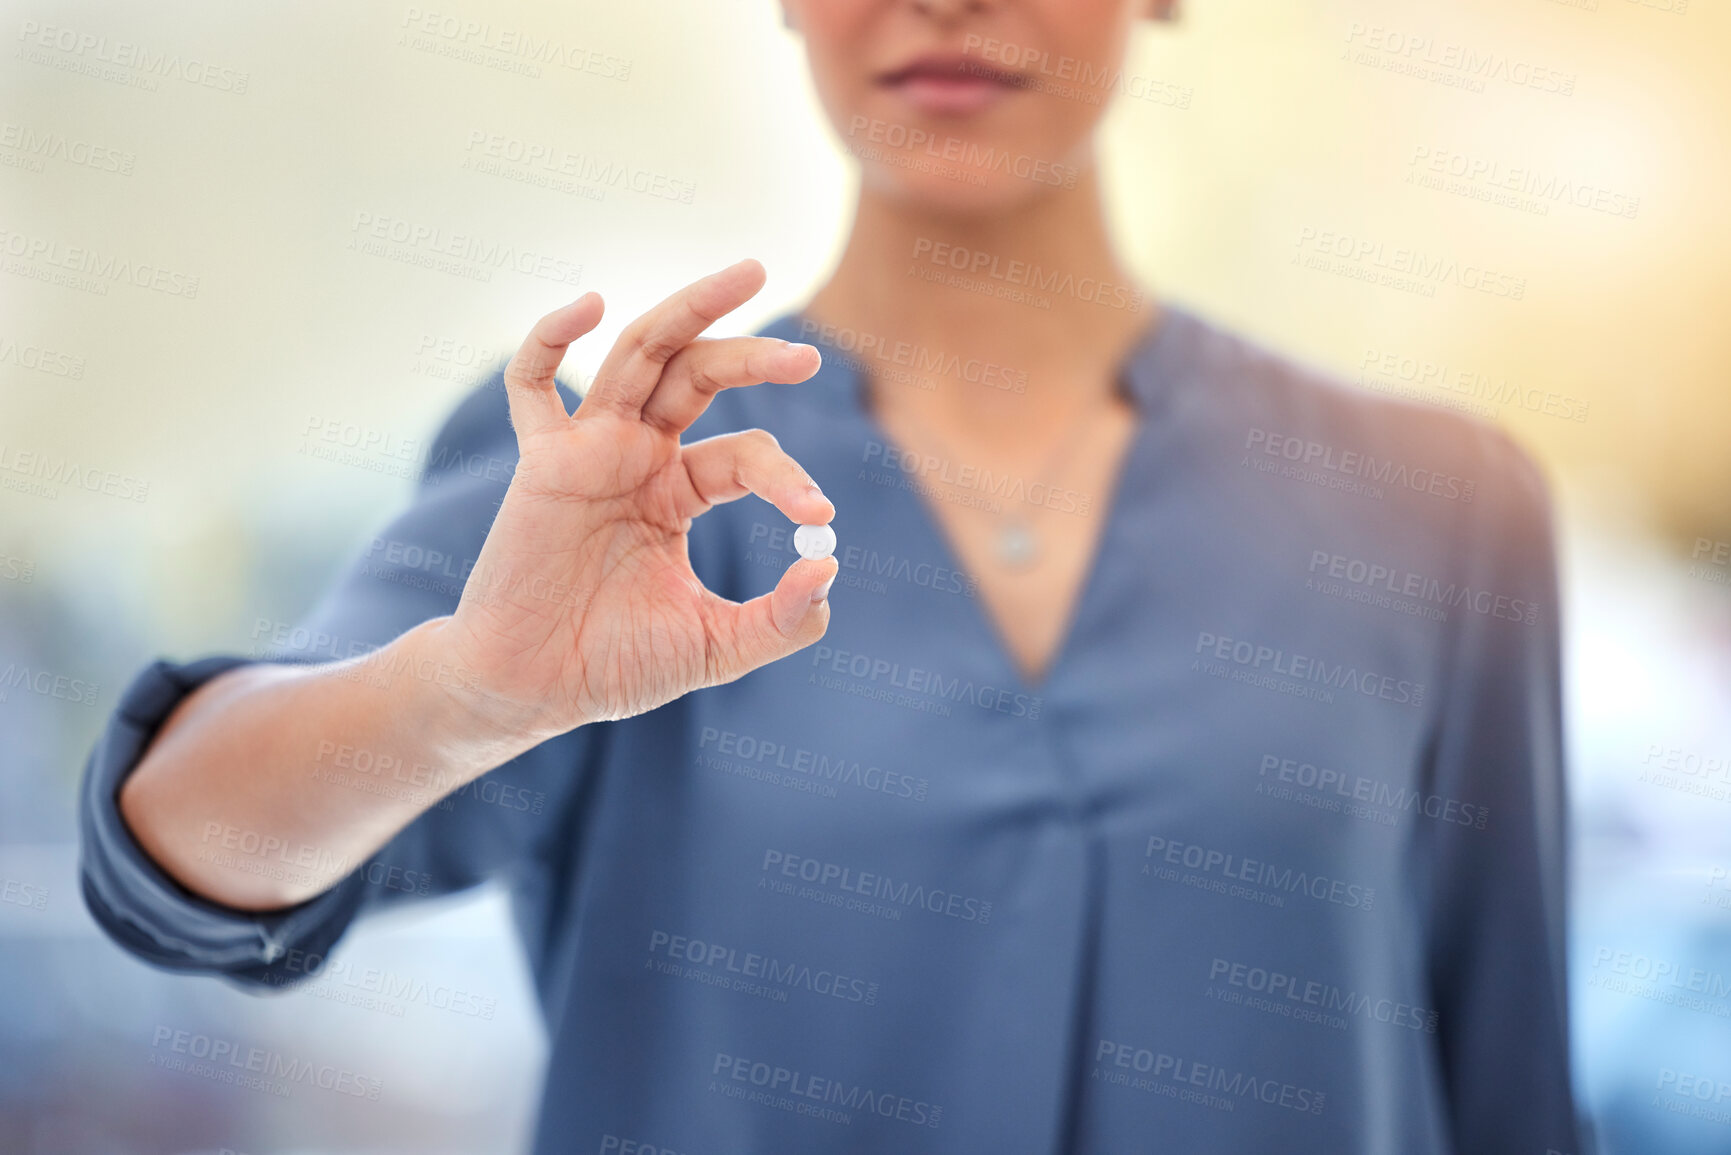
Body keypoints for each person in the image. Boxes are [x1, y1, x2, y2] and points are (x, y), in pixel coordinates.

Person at [78, 1, 1587, 1151]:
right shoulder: (609, 469)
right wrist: (465, 695)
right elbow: (180, 856)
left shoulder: (1435, 511)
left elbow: (1508, 1088)